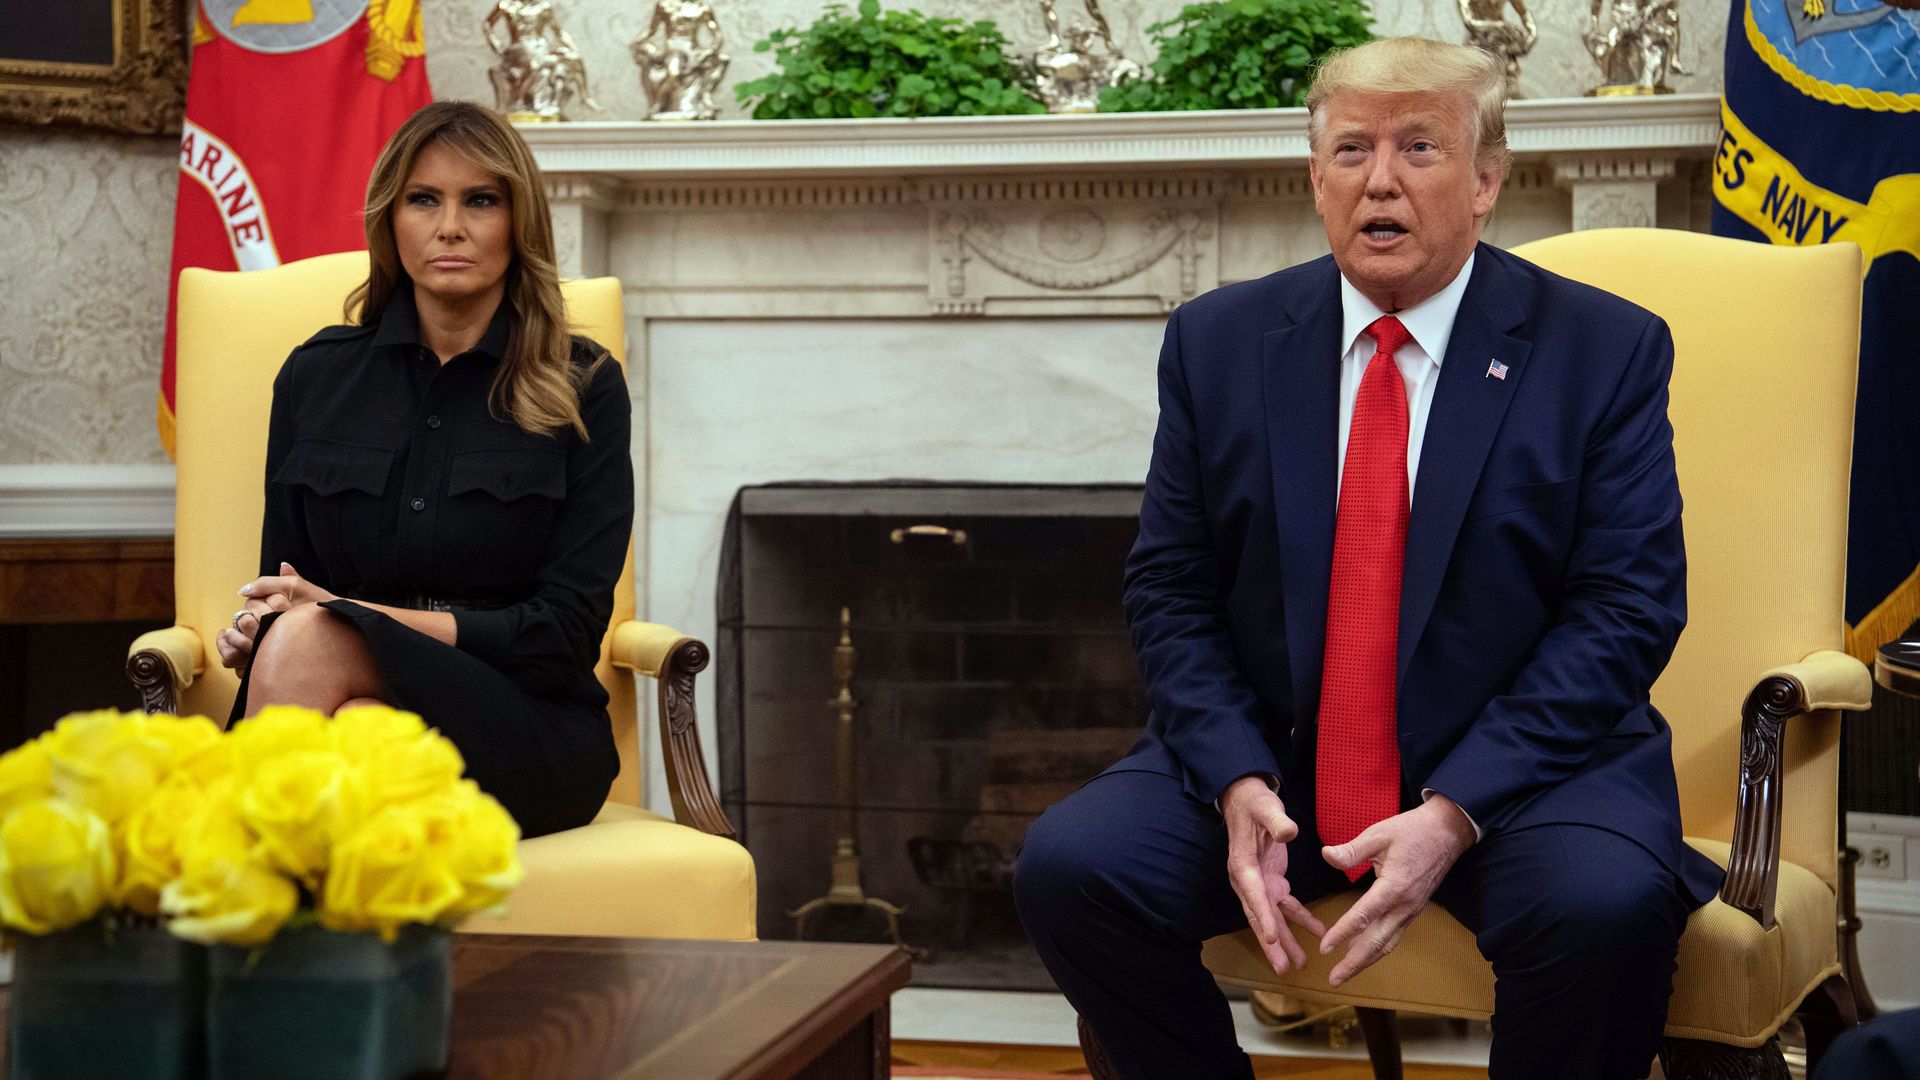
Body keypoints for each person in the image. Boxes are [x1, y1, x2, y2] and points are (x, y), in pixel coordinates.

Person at [1013, 36, 1723, 1080]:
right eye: (1351, 151)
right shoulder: (1219, 342)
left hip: (1525, 770)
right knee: (1073, 869)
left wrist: (1454, 809)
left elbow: (1626, 608)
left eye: (1420, 148)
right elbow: (1170, 587)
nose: (1379, 180)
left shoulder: (1601, 349)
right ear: (1316, 178)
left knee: (1600, 908)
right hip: (1278, 756)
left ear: (1486, 182)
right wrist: (1234, 776)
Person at [216, 101, 631, 840]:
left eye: (480, 200)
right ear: (390, 219)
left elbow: (563, 634)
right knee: (357, 731)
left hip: (523, 725)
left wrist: (352, 625)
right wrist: (260, 625)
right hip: (345, 702)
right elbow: (282, 578)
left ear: (518, 220)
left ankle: (229, 908)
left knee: (315, 645)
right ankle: (341, 946)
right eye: (423, 199)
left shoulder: (582, 385)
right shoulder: (316, 377)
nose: (450, 227)